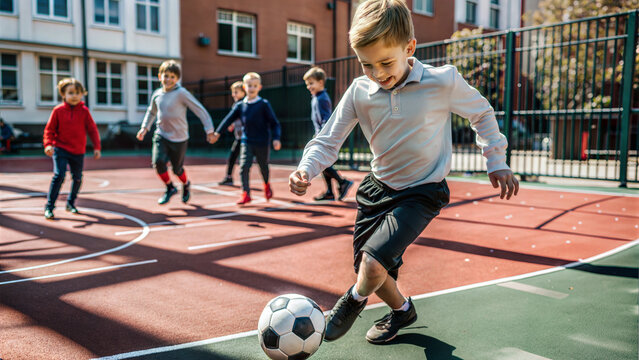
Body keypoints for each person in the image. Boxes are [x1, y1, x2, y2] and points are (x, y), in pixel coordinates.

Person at [289, 0, 519, 344]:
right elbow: (327, 140)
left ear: (409, 48)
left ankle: (351, 302)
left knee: (371, 264)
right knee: (373, 271)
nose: (378, 73)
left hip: (422, 191)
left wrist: (496, 159)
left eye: (386, 62)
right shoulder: (359, 91)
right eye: (367, 65)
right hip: (377, 188)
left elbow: (482, 114)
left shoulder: (442, 81)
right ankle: (402, 311)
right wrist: (306, 169)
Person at [136, 60, 216, 205]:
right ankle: (169, 187)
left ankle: (186, 184)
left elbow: (200, 110)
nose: (169, 79)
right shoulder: (157, 94)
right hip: (161, 134)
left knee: (177, 169)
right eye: (166, 76)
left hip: (179, 138)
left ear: (177, 78)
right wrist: (144, 128)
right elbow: (151, 112)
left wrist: (209, 130)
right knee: (158, 162)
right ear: (159, 76)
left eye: (172, 76)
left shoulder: (181, 93)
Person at [210, 72, 281, 205]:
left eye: (255, 85)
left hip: (262, 142)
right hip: (246, 141)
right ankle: (246, 193)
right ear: (244, 87)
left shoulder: (264, 104)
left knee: (263, 167)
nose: (252, 88)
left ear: (259, 87)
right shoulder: (240, 106)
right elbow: (228, 119)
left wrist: (276, 138)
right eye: (249, 85)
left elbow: (274, 123)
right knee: (244, 167)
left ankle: (266, 185)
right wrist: (217, 133)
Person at [43, 78, 101, 220]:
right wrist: (48, 144)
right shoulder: (58, 110)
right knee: (59, 175)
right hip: (60, 149)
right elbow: (49, 130)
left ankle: (70, 203)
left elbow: (92, 130)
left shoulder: (84, 111)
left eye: (77, 92)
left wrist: (97, 147)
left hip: (78, 151)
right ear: (63, 94)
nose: (74, 95)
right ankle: (49, 207)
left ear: (82, 94)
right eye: (70, 93)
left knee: (77, 178)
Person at [303, 67, 353, 201]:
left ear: (321, 82)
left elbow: (326, 119)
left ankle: (342, 182)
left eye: (311, 83)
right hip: (319, 134)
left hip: (323, 136)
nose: (308, 86)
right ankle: (330, 191)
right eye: (307, 84)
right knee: (323, 165)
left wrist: (321, 136)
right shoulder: (316, 97)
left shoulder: (321, 98)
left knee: (323, 164)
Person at [219, 81, 246, 186]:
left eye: (236, 92)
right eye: (233, 92)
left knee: (245, 161)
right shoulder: (236, 104)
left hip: (246, 138)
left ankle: (246, 182)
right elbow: (234, 118)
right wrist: (232, 125)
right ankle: (229, 177)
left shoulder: (244, 104)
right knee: (232, 157)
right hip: (239, 137)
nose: (233, 94)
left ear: (243, 92)